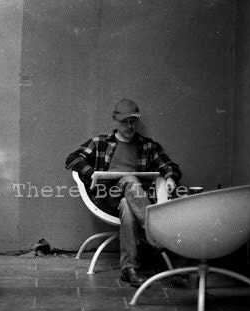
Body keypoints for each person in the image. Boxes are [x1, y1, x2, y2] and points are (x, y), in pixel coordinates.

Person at [66, 98, 181, 287]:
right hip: (106, 198)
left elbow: (169, 166)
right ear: (115, 120)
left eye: (133, 121)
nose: (129, 126)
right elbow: (72, 159)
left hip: (134, 201)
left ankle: (129, 270)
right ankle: (158, 235)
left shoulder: (148, 146)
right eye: (124, 121)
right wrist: (91, 173)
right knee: (129, 179)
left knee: (128, 205)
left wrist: (170, 178)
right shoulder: (100, 143)